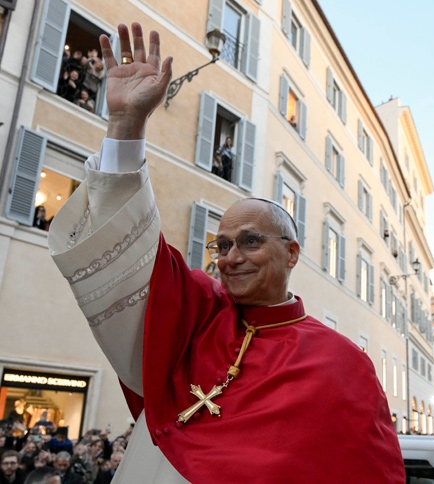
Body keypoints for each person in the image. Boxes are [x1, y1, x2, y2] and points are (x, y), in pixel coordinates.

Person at [47, 22, 403, 483]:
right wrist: (126, 127)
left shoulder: (342, 363)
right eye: (222, 245)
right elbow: (132, 258)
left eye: (251, 241)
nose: (231, 257)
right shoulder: (196, 315)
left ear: (292, 253)